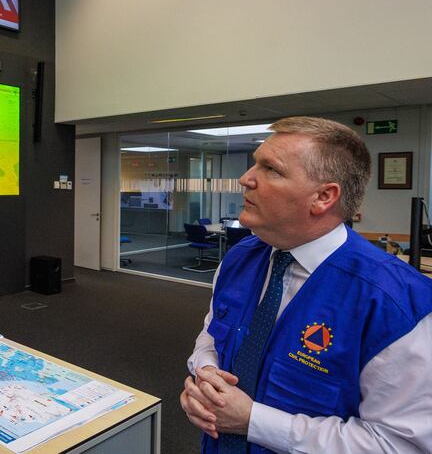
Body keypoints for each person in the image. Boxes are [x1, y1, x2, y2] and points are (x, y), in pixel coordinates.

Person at [181, 116, 432, 453]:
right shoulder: (240, 258)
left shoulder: (395, 302)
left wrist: (252, 421)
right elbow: (211, 334)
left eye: (271, 169)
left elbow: (397, 444)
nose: (245, 179)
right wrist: (206, 373)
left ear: (323, 197)